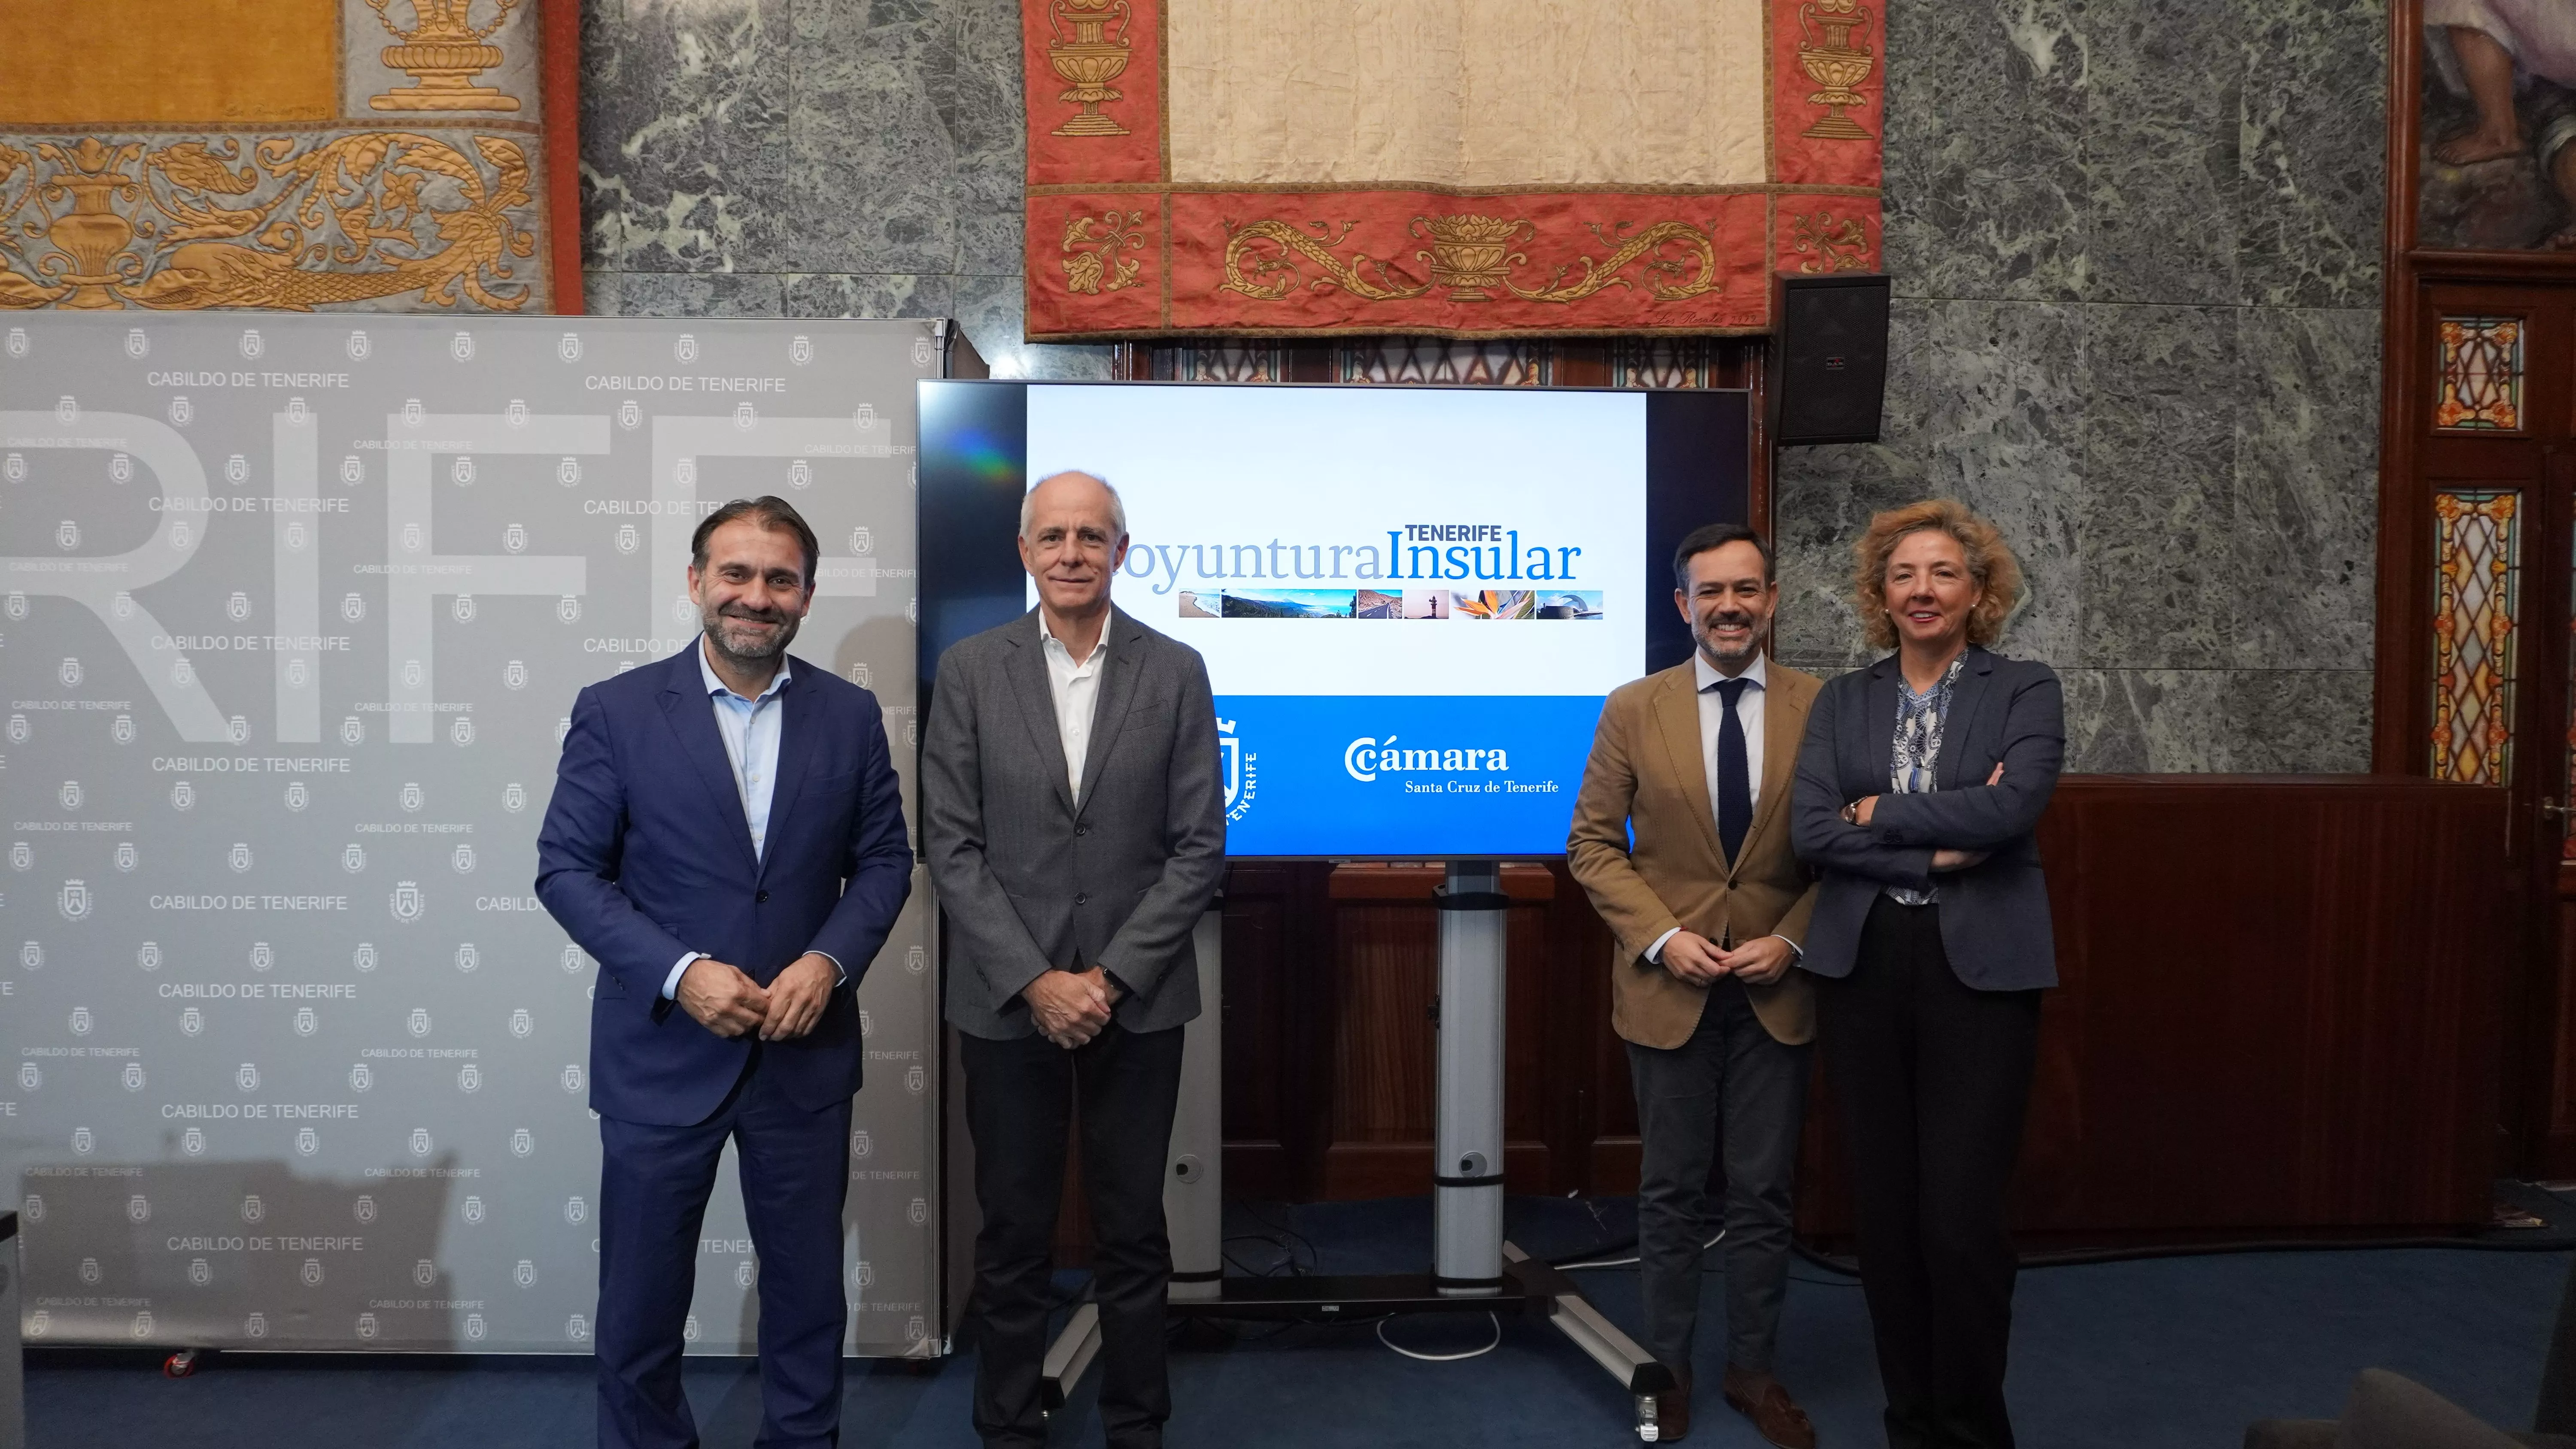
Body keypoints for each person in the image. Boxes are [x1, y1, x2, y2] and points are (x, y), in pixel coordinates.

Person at [535, 496, 913, 1449]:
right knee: (640, 1305)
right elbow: (567, 871)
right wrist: (680, 971)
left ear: (807, 596)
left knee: (807, 1294)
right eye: (736, 574)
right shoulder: (617, 711)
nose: (756, 596)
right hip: (662, 1050)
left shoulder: (850, 713)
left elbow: (883, 864)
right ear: (696, 581)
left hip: (803, 1051)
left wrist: (829, 963)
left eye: (779, 578)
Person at [921, 470, 1225, 1449]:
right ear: (1024, 551)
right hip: (1008, 1003)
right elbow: (951, 845)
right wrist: (1037, 980)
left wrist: (1109, 976)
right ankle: (1008, 1424)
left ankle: (1137, 1424)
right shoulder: (971, 669)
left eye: (1091, 536)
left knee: (1133, 1231)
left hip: (1134, 1003)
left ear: (1122, 551)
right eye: (1052, 535)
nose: (1071, 552)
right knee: (1012, 1234)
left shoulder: (1175, 668)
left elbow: (1198, 846)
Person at [1790, 499, 2063, 1449]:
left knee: (1959, 1223)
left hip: (1980, 975)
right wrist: (1936, 846)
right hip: (1863, 968)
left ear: (1979, 591)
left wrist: (1884, 814)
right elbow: (1813, 829)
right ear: (1880, 593)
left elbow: (2014, 808)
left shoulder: (2026, 688)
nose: (1922, 589)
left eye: (1944, 572)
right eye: (1903, 574)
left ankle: (1974, 1430)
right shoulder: (1842, 699)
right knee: (1888, 1222)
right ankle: (1910, 1424)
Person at [1568, 523, 1823, 1448]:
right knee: (1670, 1190)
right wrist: (1662, 935)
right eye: (1710, 591)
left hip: (1776, 990)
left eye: (1746, 589)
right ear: (1683, 603)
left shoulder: (1821, 707)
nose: (1730, 606)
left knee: (1763, 1193)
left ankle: (1753, 1370)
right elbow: (1592, 844)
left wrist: (1792, 940)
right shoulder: (1632, 707)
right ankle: (1665, 1370)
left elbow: (1842, 856)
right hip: (1667, 987)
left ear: (1772, 599)